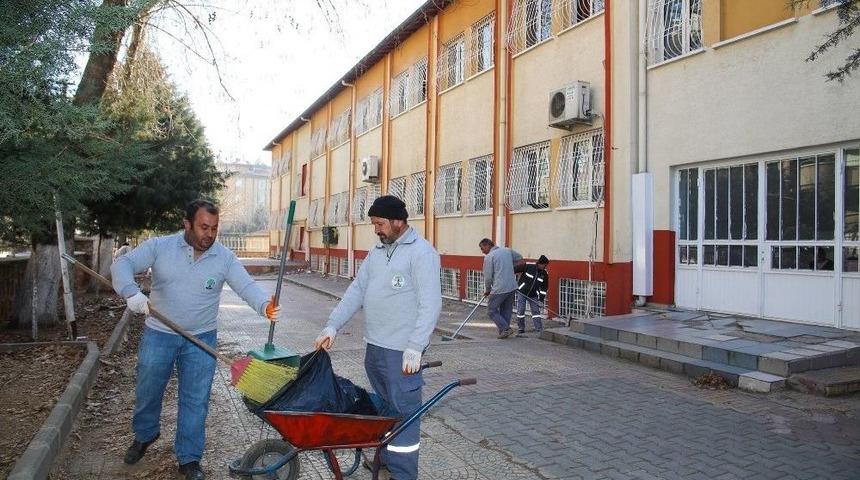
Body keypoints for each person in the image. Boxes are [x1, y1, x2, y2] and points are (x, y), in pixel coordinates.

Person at [111, 199, 282, 480]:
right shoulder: (160, 247)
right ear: (187, 224)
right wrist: (131, 292)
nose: (210, 235)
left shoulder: (224, 257)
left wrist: (265, 305)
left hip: (200, 339)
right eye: (204, 227)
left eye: (214, 229)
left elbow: (246, 285)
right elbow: (122, 265)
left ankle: (189, 458)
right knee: (148, 389)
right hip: (159, 334)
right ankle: (145, 434)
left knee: (196, 399)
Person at [313, 195, 441, 480]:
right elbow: (356, 290)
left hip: (402, 355)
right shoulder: (377, 252)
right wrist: (332, 326)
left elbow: (430, 304)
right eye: (374, 224)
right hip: (375, 349)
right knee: (384, 411)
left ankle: (403, 474)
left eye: (379, 223)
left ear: (398, 221)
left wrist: (415, 347)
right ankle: (383, 460)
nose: (376, 229)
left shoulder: (422, 254)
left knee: (405, 417)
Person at [479, 238, 523, 339]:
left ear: (487, 245)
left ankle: (505, 329)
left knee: (491, 310)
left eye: (482, 249)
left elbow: (488, 276)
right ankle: (504, 332)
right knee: (506, 310)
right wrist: (509, 265)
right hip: (512, 286)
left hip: (500, 287)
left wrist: (488, 289)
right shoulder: (507, 250)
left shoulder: (489, 257)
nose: (482, 251)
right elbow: (519, 257)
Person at [514, 255, 550, 334]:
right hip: (522, 292)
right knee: (520, 310)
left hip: (533, 295)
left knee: (536, 311)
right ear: (540, 263)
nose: (545, 267)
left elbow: (544, 288)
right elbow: (514, 270)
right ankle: (521, 328)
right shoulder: (528, 267)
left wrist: (541, 300)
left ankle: (539, 328)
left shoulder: (544, 274)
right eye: (544, 265)